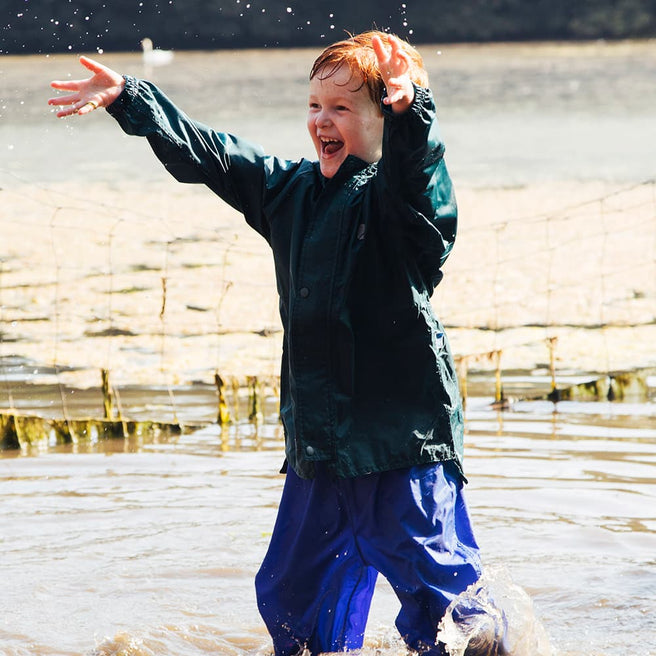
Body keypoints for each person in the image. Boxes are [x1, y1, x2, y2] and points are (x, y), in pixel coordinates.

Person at [49, 31, 492, 656]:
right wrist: (132, 99)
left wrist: (411, 110)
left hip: (400, 448)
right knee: (290, 598)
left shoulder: (404, 202)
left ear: (384, 120)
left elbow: (419, 174)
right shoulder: (290, 193)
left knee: (449, 612)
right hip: (320, 449)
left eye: (342, 109)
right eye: (315, 106)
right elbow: (216, 156)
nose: (322, 121)